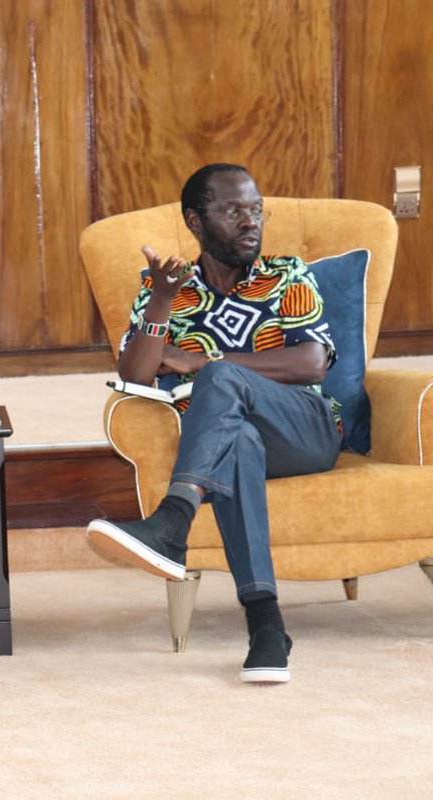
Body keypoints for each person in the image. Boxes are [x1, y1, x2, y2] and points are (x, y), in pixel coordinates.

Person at [86, 163, 342, 684]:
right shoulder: (168, 288)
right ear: (195, 222)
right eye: (233, 210)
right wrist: (160, 298)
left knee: (221, 378)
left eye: (256, 210)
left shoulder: (287, 274)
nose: (251, 221)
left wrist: (203, 363)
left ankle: (173, 521)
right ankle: (267, 626)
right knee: (238, 439)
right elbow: (135, 374)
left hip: (305, 429)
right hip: (226, 441)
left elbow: (311, 363)